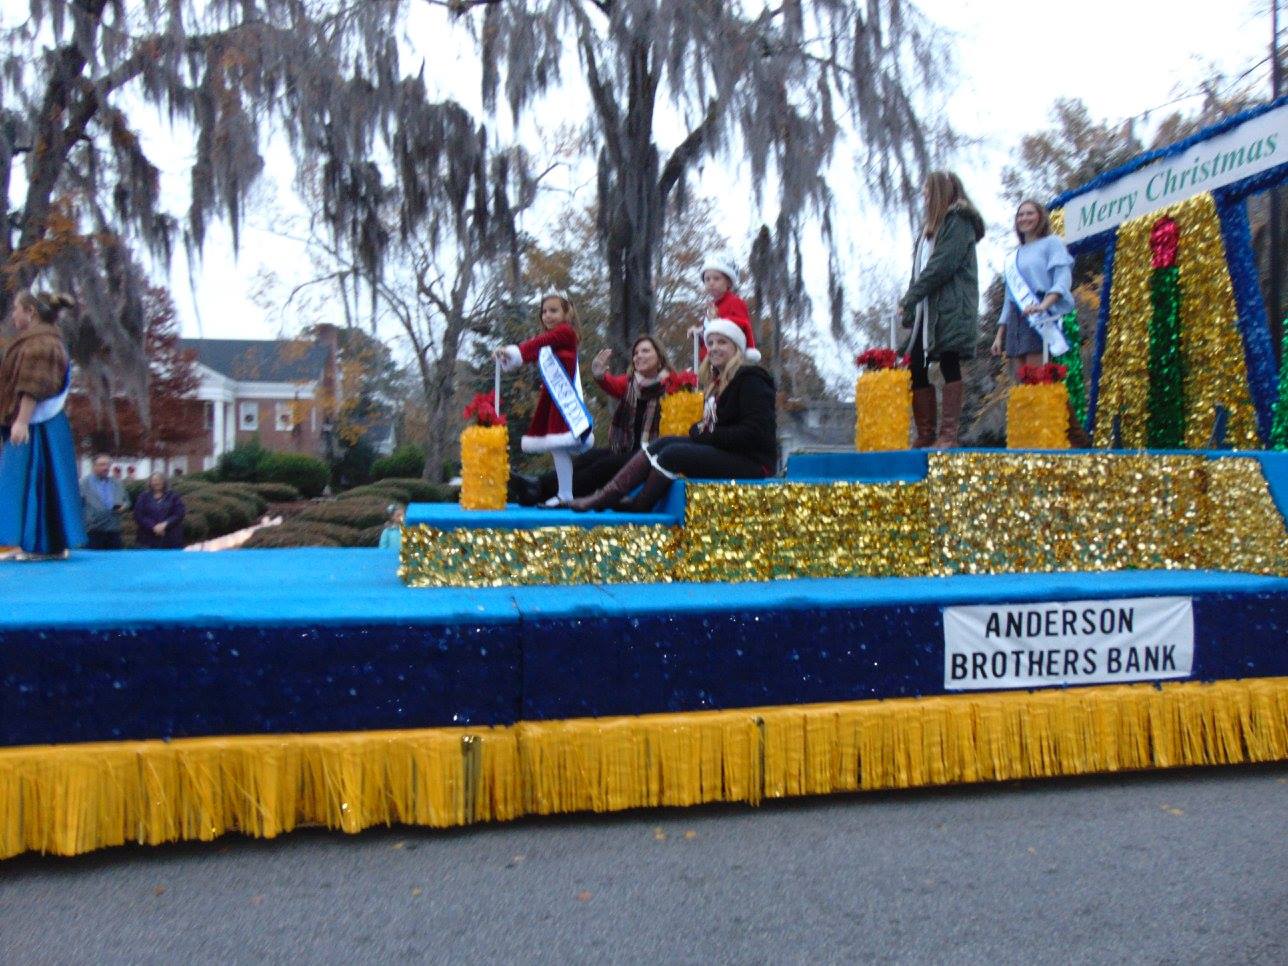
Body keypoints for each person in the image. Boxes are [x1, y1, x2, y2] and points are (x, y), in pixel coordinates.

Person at [571, 320, 776, 512]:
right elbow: (710, 427)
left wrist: (706, 434)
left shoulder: (752, 380)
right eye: (710, 342)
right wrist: (700, 430)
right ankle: (606, 496)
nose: (714, 348)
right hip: (727, 450)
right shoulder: (719, 382)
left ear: (737, 348)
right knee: (661, 443)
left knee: (673, 454)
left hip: (753, 463)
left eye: (722, 342)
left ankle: (640, 504)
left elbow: (754, 433)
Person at [516, 335, 673, 505]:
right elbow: (611, 383)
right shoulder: (631, 384)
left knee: (602, 467)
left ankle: (542, 494)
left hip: (650, 454)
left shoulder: (671, 386)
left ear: (659, 356)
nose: (638, 356)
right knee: (587, 458)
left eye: (645, 351)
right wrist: (599, 375)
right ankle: (537, 484)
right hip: (625, 448)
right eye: (635, 353)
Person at [899, 171, 985, 448]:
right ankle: (925, 433)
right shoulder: (928, 230)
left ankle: (948, 434)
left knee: (949, 360)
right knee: (916, 363)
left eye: (926, 191)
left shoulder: (959, 222)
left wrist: (911, 297)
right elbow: (919, 271)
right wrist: (911, 308)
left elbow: (942, 266)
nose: (923, 197)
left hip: (950, 306)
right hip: (927, 308)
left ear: (937, 192)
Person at [0, 291, 87, 560]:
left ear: (30, 312)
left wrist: (22, 422)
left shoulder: (42, 344)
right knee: (27, 482)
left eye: (16, 309)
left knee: (39, 481)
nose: (13, 315)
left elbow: (33, 385)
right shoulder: (42, 339)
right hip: (36, 423)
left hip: (38, 424)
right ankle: (28, 543)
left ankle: (43, 544)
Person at [495, 293, 593, 507]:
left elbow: (539, 343)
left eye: (553, 310)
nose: (547, 315)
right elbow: (532, 353)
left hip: (564, 401)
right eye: (544, 311)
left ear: (567, 313)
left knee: (564, 446)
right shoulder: (550, 343)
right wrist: (508, 358)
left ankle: (568, 493)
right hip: (553, 400)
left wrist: (516, 350)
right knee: (558, 448)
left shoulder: (565, 333)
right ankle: (565, 494)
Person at [992, 199, 1075, 369]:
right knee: (1021, 383)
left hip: (1041, 313)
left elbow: (1062, 279)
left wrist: (1043, 306)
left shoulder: (1052, 243)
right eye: (1020, 215)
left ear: (1040, 217)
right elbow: (1009, 298)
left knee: (1037, 380)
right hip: (1017, 317)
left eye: (1030, 213)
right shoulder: (1012, 257)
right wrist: (999, 335)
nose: (1024, 218)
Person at [686, 255, 761, 366]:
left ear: (728, 283)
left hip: (730, 362)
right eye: (707, 279)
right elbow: (712, 335)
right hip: (711, 362)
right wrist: (699, 335)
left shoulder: (735, 302)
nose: (711, 283)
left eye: (716, 278)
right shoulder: (711, 307)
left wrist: (718, 320)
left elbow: (742, 325)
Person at [80, 452, 131, 549]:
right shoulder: (83, 484)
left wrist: (124, 506)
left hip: (113, 530)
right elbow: (77, 506)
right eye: (102, 465)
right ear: (94, 466)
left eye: (108, 465)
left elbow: (127, 501)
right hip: (93, 531)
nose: (106, 468)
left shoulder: (117, 483)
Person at [133, 472, 186, 548]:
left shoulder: (173, 496)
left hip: (171, 540)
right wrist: (154, 526)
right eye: (154, 480)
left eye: (159, 480)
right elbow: (138, 515)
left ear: (164, 482)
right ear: (150, 482)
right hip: (147, 540)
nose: (157, 482)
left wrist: (165, 524)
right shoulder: (143, 496)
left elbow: (179, 513)